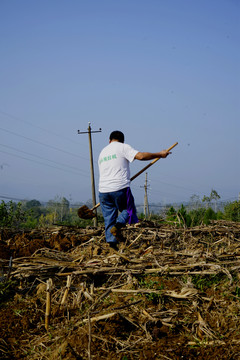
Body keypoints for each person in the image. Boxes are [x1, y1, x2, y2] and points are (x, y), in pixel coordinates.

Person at [98, 130, 171, 249]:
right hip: (119, 188)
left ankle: (112, 245)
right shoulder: (122, 147)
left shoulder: (103, 151)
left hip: (103, 190)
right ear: (122, 140)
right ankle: (117, 226)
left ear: (110, 140)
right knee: (129, 210)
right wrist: (159, 154)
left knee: (108, 218)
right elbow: (141, 156)